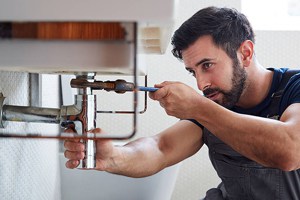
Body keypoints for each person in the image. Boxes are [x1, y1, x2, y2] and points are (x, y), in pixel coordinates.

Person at [64, 6, 300, 200]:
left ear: (245, 53)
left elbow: (291, 150)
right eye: (192, 72)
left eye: (207, 65)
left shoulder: (294, 87)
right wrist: (114, 156)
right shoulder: (216, 102)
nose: (201, 84)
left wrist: (198, 106)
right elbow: (161, 147)